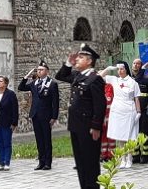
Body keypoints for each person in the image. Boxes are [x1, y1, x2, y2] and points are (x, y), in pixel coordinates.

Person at [55, 43, 106, 189]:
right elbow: (61, 76)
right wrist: (67, 63)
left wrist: (96, 127)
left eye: (81, 57)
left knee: (90, 162)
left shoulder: (94, 79)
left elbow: (100, 105)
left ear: (89, 61)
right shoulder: (78, 75)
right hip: (76, 126)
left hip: (88, 128)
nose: (77, 59)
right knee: (80, 163)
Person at [18, 60, 59, 170]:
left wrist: (54, 117)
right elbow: (21, 87)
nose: (39, 72)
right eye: (38, 70)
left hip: (46, 115)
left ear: (47, 71)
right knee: (39, 139)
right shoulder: (34, 83)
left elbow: (55, 102)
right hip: (35, 114)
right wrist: (26, 76)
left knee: (46, 139)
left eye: (41, 70)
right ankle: (41, 161)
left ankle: (48, 162)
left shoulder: (52, 84)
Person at [99, 61, 141, 169]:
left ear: (126, 69)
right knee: (120, 136)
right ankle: (123, 159)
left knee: (129, 136)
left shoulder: (133, 82)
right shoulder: (114, 80)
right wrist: (108, 69)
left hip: (129, 110)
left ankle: (129, 158)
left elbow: (136, 98)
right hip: (117, 110)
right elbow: (98, 77)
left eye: (122, 69)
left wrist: (139, 112)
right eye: (118, 69)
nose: (120, 71)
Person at [0, 75, 19, 171]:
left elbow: (15, 109)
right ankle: (1, 163)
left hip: (6, 122)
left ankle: (7, 162)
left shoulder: (10, 94)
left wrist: (14, 123)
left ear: (5, 83)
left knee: (7, 143)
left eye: (1, 81)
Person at [131, 58, 148, 164]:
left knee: (144, 133)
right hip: (132, 111)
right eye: (134, 63)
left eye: (138, 64)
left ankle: (145, 155)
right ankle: (135, 155)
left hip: (144, 110)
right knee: (134, 133)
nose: (135, 65)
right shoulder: (128, 78)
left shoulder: (145, 79)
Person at [100, 83, 116, 162]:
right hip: (102, 117)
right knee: (103, 137)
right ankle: (103, 154)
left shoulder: (110, 87)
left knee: (111, 136)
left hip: (110, 116)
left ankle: (111, 154)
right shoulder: (97, 87)